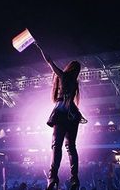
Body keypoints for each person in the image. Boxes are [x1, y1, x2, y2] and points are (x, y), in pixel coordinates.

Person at [39, 47, 87, 190]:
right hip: (73, 114)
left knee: (56, 146)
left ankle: (53, 177)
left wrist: (41, 49)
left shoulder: (64, 76)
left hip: (61, 113)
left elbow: (49, 62)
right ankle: (74, 179)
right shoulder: (75, 83)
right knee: (71, 147)